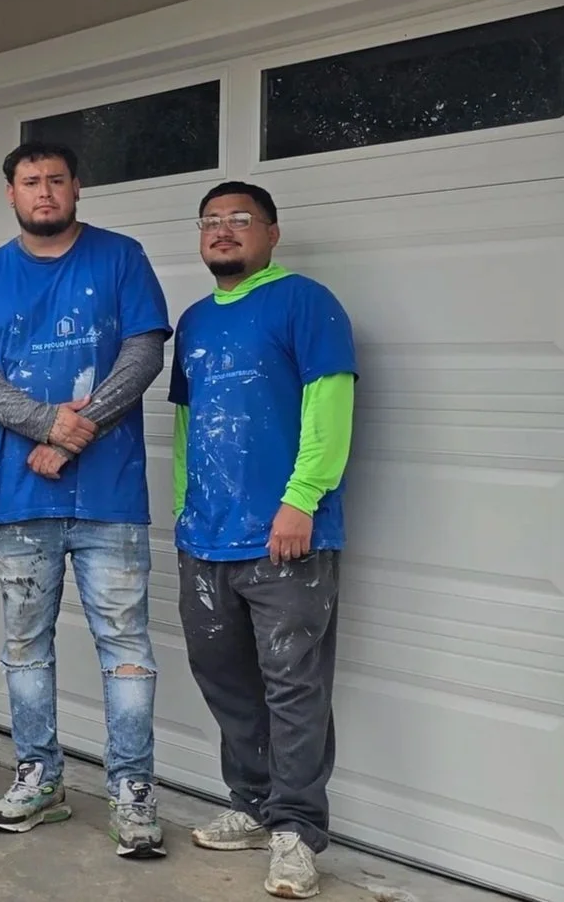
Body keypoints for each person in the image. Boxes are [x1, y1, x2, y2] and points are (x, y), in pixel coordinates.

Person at [0, 140, 170, 860]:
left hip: (110, 497)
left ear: (77, 187)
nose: (43, 191)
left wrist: (80, 430)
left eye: (55, 180)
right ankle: (39, 778)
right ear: (10, 194)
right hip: (21, 495)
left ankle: (132, 790)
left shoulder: (121, 258)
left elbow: (143, 354)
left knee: (126, 647)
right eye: (29, 181)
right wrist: (47, 422)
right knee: (24, 647)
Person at [169, 181, 357, 901]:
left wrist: (301, 499)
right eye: (211, 221)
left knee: (293, 687)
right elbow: (187, 426)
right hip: (206, 541)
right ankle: (251, 806)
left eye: (240, 219)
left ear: (272, 233)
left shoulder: (305, 302)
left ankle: (297, 833)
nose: (223, 230)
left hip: (286, 538)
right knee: (226, 681)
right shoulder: (194, 321)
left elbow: (331, 403)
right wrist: (185, 511)